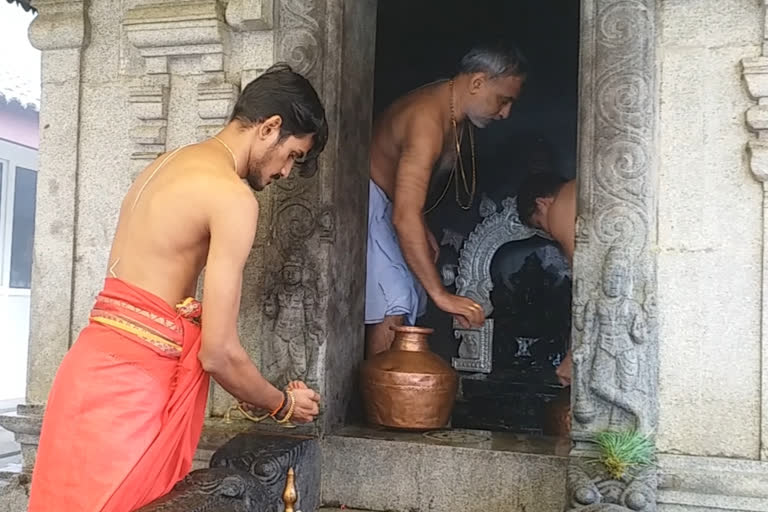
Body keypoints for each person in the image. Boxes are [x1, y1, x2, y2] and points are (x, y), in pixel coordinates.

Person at [27, 63, 328, 512]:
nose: (287, 173)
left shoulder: (166, 164)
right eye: (294, 156)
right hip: (130, 394)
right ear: (270, 127)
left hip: (86, 374)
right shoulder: (232, 197)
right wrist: (282, 403)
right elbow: (218, 352)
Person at [365, 42, 528, 357]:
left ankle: (393, 400)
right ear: (478, 83)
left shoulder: (452, 110)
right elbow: (403, 216)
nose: (506, 113)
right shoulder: (427, 121)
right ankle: (377, 404)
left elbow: (408, 197)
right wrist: (441, 295)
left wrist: (421, 225)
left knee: (410, 294)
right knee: (396, 297)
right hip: (370, 203)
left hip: (391, 204)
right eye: (503, 100)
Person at [516, 172, 576, 386]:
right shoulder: (576, 189)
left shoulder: (560, 210)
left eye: (541, 224)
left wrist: (573, 355)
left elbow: (587, 287)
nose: (551, 235)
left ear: (542, 203)